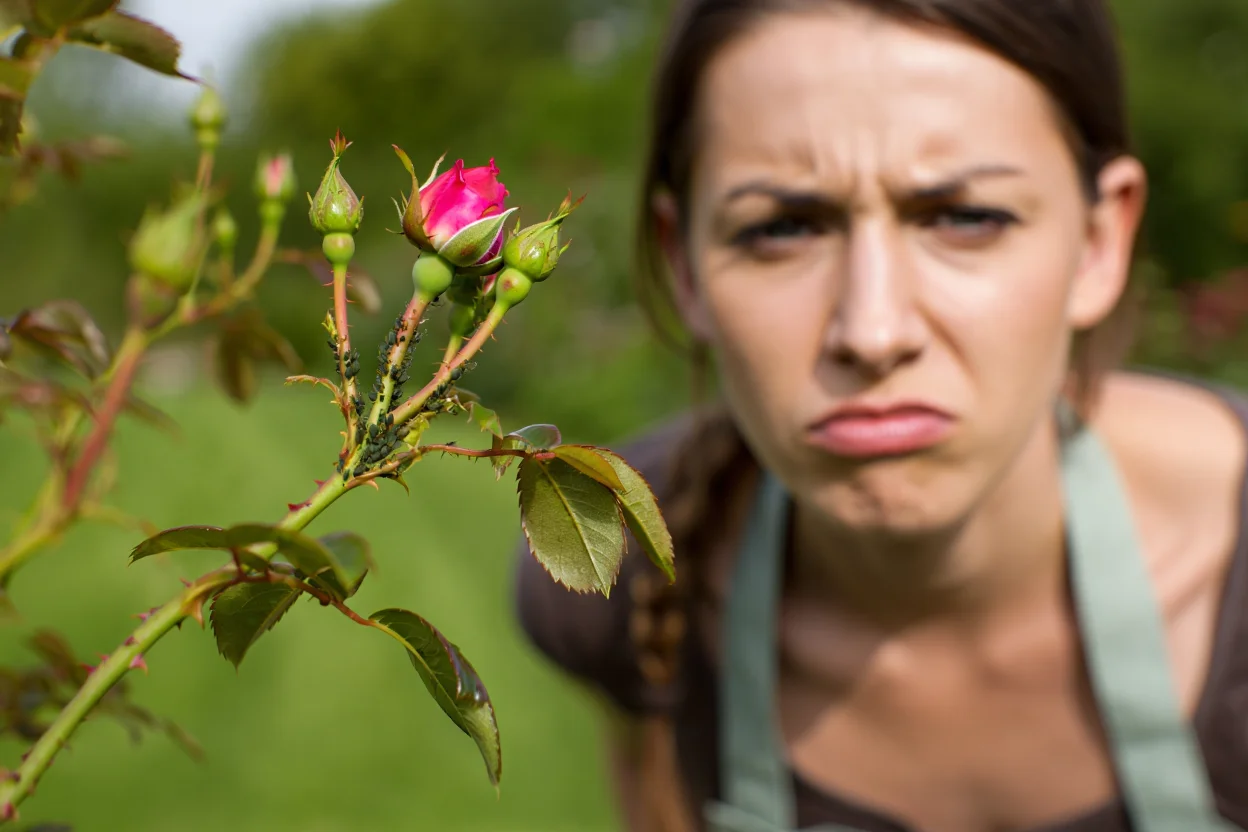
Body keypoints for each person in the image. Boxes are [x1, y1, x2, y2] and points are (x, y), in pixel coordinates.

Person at [513, 1, 1248, 830]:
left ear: (1100, 241)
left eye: (966, 217)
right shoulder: (610, 563)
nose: (872, 331)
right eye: (782, 228)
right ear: (685, 265)